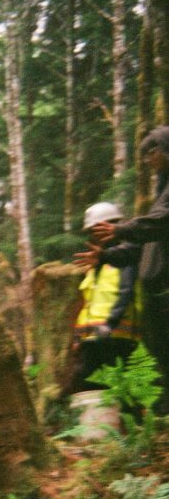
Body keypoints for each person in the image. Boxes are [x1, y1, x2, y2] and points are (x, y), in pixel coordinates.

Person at [75, 126, 169, 410]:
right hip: (156, 292)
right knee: (160, 358)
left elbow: (162, 222)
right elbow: (141, 247)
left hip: (165, 291)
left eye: (151, 153)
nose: (148, 161)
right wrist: (105, 257)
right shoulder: (161, 191)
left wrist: (122, 230)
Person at [68, 201, 141, 395]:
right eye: (91, 232)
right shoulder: (96, 263)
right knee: (88, 386)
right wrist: (78, 337)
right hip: (93, 338)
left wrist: (110, 324)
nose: (94, 236)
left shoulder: (126, 256)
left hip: (117, 336)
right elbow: (88, 304)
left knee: (115, 391)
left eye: (97, 230)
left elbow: (126, 292)